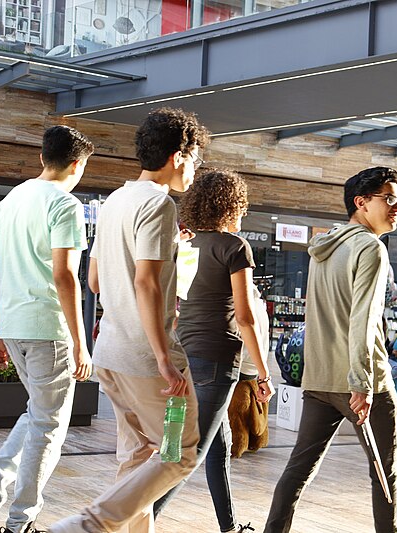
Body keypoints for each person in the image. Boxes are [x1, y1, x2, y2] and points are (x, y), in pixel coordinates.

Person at [49, 107, 209, 533]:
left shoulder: (116, 200)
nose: (195, 170)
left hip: (112, 353)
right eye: (195, 159)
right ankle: (85, 525)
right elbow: (147, 283)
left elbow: (96, 280)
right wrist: (162, 356)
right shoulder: (159, 204)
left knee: (139, 456)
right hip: (146, 359)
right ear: (179, 155)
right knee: (179, 453)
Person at [0, 125, 95, 533]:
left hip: (13, 326)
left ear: (42, 158)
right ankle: (20, 523)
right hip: (48, 328)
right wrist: (80, 342)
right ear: (78, 163)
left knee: (38, 414)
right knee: (49, 427)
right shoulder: (66, 205)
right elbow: (65, 277)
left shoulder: (13, 199)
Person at [264, 166, 397, 533]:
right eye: (388, 198)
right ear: (361, 203)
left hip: (320, 379)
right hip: (363, 381)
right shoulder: (370, 248)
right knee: (384, 473)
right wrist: (361, 382)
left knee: (298, 469)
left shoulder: (323, 249)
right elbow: (363, 320)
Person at [153, 170, 273, 532]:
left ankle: (230, 526)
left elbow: (178, 302)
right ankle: (140, 520)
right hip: (218, 358)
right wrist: (263, 373)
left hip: (186, 354)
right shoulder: (235, 247)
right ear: (230, 206)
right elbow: (246, 316)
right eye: (241, 206)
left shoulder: (186, 245)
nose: (243, 213)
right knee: (189, 456)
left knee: (216, 447)